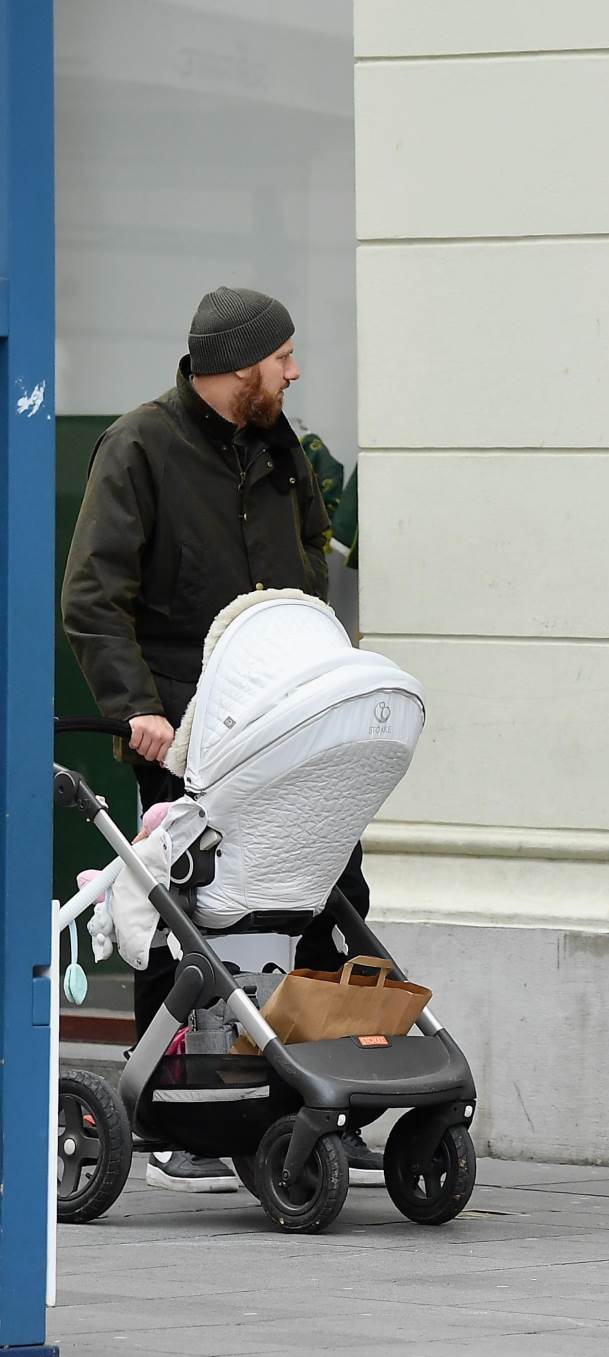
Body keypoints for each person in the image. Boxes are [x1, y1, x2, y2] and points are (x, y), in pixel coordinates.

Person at [62, 286, 382, 1193]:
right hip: (184, 733)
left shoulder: (285, 456)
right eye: (282, 356)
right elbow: (92, 599)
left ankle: (325, 1104)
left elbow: (308, 580)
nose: (295, 370)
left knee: (327, 897)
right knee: (182, 919)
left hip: (292, 730)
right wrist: (136, 707)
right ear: (241, 366)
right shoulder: (139, 448)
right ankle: (177, 1120)